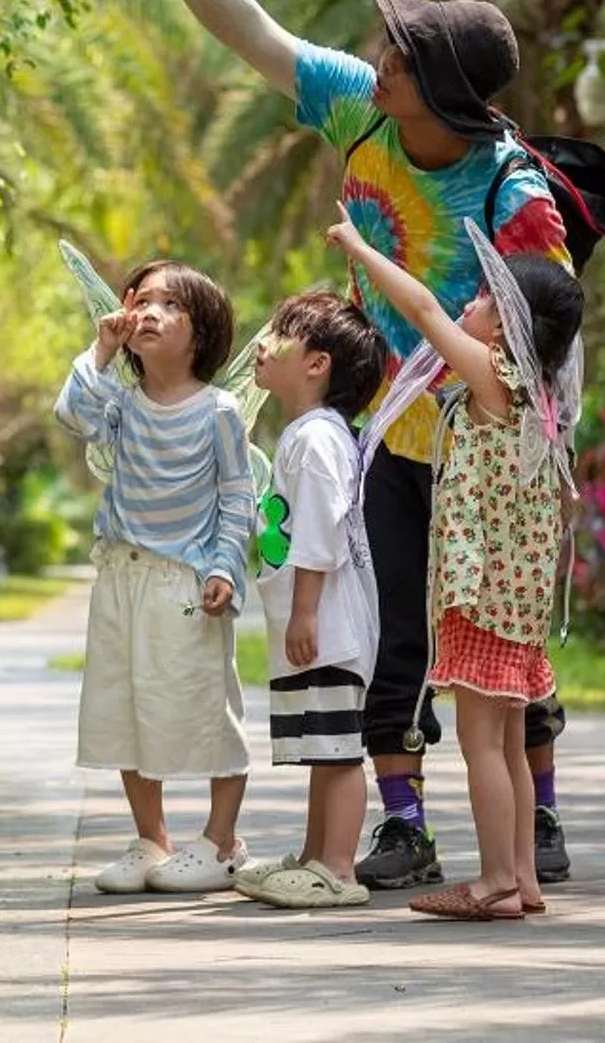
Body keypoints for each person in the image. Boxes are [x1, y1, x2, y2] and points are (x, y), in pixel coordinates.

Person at [96, 0, 577, 892]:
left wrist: (524, 439)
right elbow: (258, 35)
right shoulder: (365, 111)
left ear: (438, 82)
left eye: (399, 53)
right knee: (398, 628)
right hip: (387, 431)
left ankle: (535, 816)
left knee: (500, 638)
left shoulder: (513, 189)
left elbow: (549, 331)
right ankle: (405, 821)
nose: (378, 59)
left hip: (483, 439)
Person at [326, 213, 581, 921]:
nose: (465, 305)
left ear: (504, 329)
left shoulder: (495, 378)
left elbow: (421, 309)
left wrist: (358, 248)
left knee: (481, 747)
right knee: (507, 740)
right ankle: (522, 877)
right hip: (518, 605)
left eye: (482, 300)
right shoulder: (543, 395)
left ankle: (494, 880)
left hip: (481, 598)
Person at [53, 258, 258, 894]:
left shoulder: (219, 410)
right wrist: (102, 345)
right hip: (122, 575)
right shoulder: (118, 402)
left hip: (185, 584)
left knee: (200, 703)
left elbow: (237, 495)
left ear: (201, 332)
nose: (147, 311)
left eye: (169, 305)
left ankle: (222, 841)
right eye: (140, 301)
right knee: (127, 706)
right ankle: (152, 839)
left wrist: (225, 565)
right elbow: (70, 413)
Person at [231, 290, 387, 910]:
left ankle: (339, 868)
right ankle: (314, 856)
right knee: (325, 747)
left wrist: (303, 611)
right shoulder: (306, 434)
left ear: (317, 364)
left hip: (328, 623)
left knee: (340, 751)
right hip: (317, 620)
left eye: (281, 332)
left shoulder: (316, 439)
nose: (263, 341)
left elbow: (321, 530)